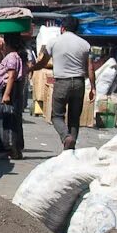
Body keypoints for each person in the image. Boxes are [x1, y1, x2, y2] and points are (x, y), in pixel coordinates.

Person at [35, 16, 93, 151]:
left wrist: (30, 68)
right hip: (79, 83)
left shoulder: (53, 42)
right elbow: (90, 68)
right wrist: (93, 88)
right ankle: (70, 149)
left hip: (62, 82)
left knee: (57, 116)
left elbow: (43, 63)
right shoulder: (85, 44)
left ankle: (66, 138)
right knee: (74, 117)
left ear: (62, 28)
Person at [0, 33, 28, 160]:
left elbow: (12, 76)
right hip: (15, 90)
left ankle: (14, 149)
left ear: (8, 44)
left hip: (11, 90)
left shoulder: (12, 56)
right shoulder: (19, 56)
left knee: (10, 119)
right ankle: (16, 149)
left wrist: (7, 94)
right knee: (15, 119)